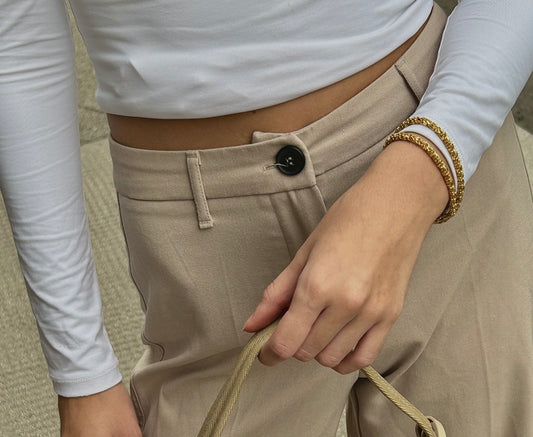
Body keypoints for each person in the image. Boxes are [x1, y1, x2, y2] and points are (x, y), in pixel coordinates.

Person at [1, 0, 532, 436]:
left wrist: (420, 176)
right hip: (210, 239)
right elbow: (15, 43)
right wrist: (82, 377)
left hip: (445, 143)